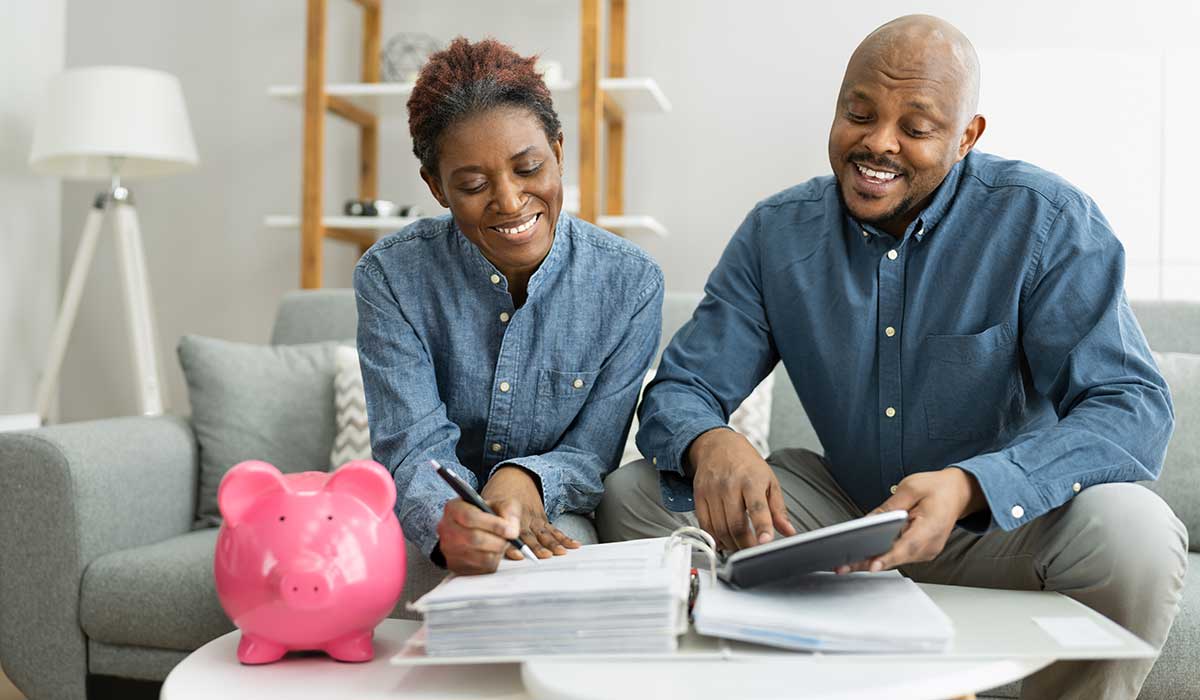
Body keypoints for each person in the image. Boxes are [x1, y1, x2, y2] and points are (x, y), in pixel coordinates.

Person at [596, 15, 1186, 700]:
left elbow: (1132, 407)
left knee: (1134, 534)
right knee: (633, 497)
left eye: (917, 126)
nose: (878, 143)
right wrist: (710, 440)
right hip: (845, 514)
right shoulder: (775, 234)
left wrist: (971, 485)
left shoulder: (1046, 220)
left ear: (967, 137)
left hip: (996, 526)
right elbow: (682, 388)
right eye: (860, 113)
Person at [356, 37, 663, 576]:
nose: (509, 199)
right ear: (436, 187)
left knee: (536, 569)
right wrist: (446, 517)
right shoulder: (391, 276)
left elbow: (592, 453)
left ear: (559, 152)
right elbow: (410, 447)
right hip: (431, 510)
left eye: (528, 168)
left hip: (551, 509)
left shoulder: (630, 285)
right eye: (473, 185)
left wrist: (524, 478)